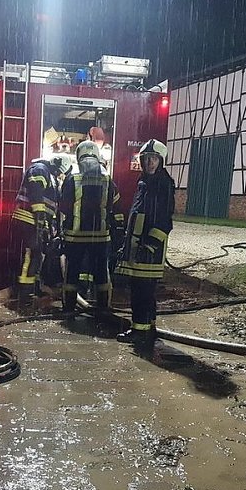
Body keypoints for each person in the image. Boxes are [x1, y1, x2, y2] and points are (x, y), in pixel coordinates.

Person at [114, 139, 175, 346]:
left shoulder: (163, 183)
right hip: (138, 245)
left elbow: (164, 219)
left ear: (161, 161)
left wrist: (150, 244)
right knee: (144, 289)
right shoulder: (145, 182)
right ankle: (149, 327)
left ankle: (139, 331)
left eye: (154, 159)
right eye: (147, 158)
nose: (150, 163)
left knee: (141, 290)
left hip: (149, 249)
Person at [58, 140, 120, 316]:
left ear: (79, 155)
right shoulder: (107, 178)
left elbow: (64, 206)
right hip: (100, 236)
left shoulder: (72, 177)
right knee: (101, 274)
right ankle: (103, 309)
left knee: (72, 274)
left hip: (75, 236)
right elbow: (114, 203)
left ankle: (69, 309)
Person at [11, 155, 72, 308]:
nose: (58, 175)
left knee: (37, 257)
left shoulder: (48, 173)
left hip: (35, 222)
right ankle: (24, 295)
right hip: (28, 220)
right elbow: (36, 194)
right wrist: (40, 219)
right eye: (58, 171)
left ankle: (33, 288)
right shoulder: (39, 169)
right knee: (30, 257)